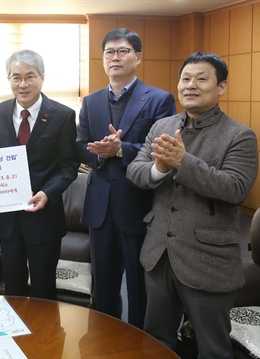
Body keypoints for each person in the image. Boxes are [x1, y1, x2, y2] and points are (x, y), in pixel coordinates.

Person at [127, 52, 258, 357]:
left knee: (212, 348)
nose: (191, 85)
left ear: (221, 87)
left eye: (201, 79)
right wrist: (159, 168)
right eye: (185, 79)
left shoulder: (239, 135)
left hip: (207, 261)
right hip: (159, 254)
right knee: (156, 340)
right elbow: (135, 171)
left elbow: (235, 188)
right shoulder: (162, 126)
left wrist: (182, 162)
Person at [75, 28, 176, 328]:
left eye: (123, 51)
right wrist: (99, 154)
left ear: (138, 57)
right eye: (109, 52)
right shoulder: (90, 101)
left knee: (139, 283)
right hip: (100, 206)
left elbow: (163, 145)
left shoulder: (159, 99)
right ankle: (106, 339)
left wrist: (122, 150)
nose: (115, 57)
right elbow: (80, 144)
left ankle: (138, 343)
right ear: (103, 59)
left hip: (138, 203)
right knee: (103, 284)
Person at [0, 49, 80, 299]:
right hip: (9, 219)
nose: (23, 84)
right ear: (9, 79)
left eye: (30, 77)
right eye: (15, 77)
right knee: (13, 290)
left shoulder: (62, 115)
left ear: (42, 77)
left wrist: (47, 193)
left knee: (44, 291)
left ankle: (46, 338)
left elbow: (69, 164)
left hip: (44, 218)